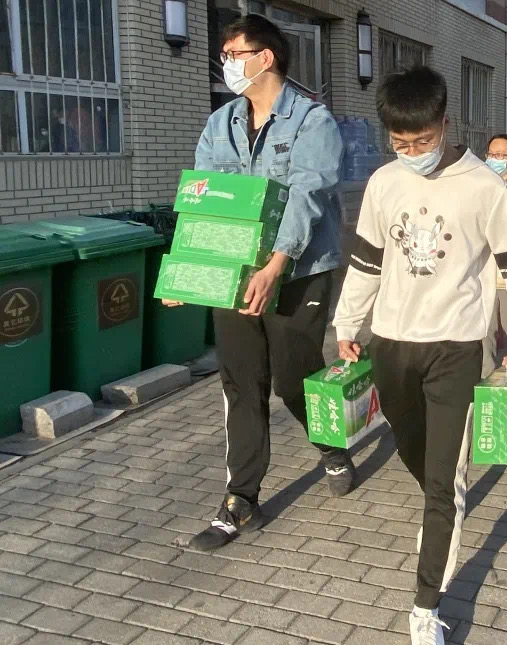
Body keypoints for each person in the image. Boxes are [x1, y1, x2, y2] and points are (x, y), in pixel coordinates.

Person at [332, 66, 507, 645]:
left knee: (443, 481)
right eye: (400, 143)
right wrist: (347, 324)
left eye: (422, 141)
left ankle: (426, 605)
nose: (413, 153)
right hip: (392, 344)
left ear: (445, 125)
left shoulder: (485, 187)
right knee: (415, 453)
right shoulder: (384, 183)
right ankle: (441, 500)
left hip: (456, 346)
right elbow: (367, 262)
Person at [169, 15, 354, 552]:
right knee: (241, 383)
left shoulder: (312, 121)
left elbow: (307, 195)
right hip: (236, 274)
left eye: (233, 53)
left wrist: (275, 265)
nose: (225, 63)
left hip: (299, 271)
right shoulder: (220, 124)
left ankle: (331, 446)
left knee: (294, 380)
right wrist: (191, 269)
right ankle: (240, 498)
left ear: (265, 57)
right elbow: (207, 198)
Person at [481, 133, 507, 376]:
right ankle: (484, 382)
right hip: (483, 274)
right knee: (483, 334)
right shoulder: (479, 186)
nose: (495, 159)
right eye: (491, 154)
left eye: (501, 155)